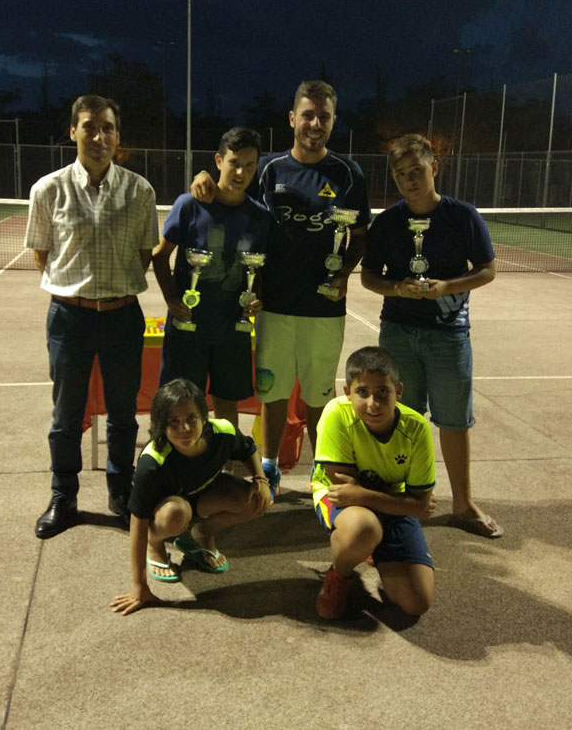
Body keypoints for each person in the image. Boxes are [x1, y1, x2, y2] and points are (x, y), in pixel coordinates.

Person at [191, 81, 371, 496]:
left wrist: (344, 273)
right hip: (272, 304)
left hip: (324, 308)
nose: (315, 124)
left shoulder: (349, 173)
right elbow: (229, 191)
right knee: (272, 391)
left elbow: (361, 235)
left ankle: (322, 469)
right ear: (292, 119)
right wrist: (201, 176)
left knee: (319, 396)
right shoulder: (268, 169)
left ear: (334, 122)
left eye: (324, 117)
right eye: (308, 115)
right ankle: (270, 465)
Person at [24, 94, 158, 539]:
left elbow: (144, 255)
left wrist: (110, 292)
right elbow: (42, 255)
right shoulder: (48, 190)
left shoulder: (140, 191)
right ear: (73, 132)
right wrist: (78, 294)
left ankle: (121, 493)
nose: (99, 136)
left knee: (123, 414)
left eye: (108, 128)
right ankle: (64, 496)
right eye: (89, 127)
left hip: (123, 317)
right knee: (66, 416)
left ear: (118, 136)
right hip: (69, 319)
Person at [360, 134, 502, 538]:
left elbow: (488, 269)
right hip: (398, 331)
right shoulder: (387, 222)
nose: (410, 180)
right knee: (401, 418)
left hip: (448, 332)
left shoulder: (462, 216)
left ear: (434, 168)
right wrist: (397, 288)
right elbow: (369, 276)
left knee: (454, 421)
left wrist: (447, 287)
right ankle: (404, 499)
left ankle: (463, 504)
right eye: (401, 174)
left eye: (417, 170)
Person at [110, 378, 273, 616]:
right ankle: (156, 544)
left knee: (257, 500)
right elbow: (138, 521)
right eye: (173, 422)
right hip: (166, 509)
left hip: (204, 493)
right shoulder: (152, 462)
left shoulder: (222, 431)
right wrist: (139, 586)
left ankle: (203, 533)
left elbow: (247, 449)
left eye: (191, 418)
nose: (184, 429)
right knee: (176, 513)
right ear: (161, 425)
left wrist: (261, 480)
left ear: (204, 417)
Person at [152, 127, 272, 431]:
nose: (241, 172)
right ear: (219, 161)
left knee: (227, 404)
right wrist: (171, 298)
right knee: (177, 403)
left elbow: (259, 269)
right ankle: (169, 456)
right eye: (234, 163)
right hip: (188, 328)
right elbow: (159, 255)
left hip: (232, 329)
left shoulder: (261, 217)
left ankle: (225, 457)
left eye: (249, 165)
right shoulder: (189, 205)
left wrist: (257, 297)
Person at [311, 346, 437, 620]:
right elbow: (343, 490)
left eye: (383, 392)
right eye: (363, 392)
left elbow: (419, 506)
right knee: (363, 528)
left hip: (382, 502)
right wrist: (408, 504)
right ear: (347, 392)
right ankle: (340, 573)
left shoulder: (416, 428)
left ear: (398, 391)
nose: (373, 403)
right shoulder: (336, 413)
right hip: (342, 498)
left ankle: (376, 548)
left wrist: (364, 494)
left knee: (416, 602)